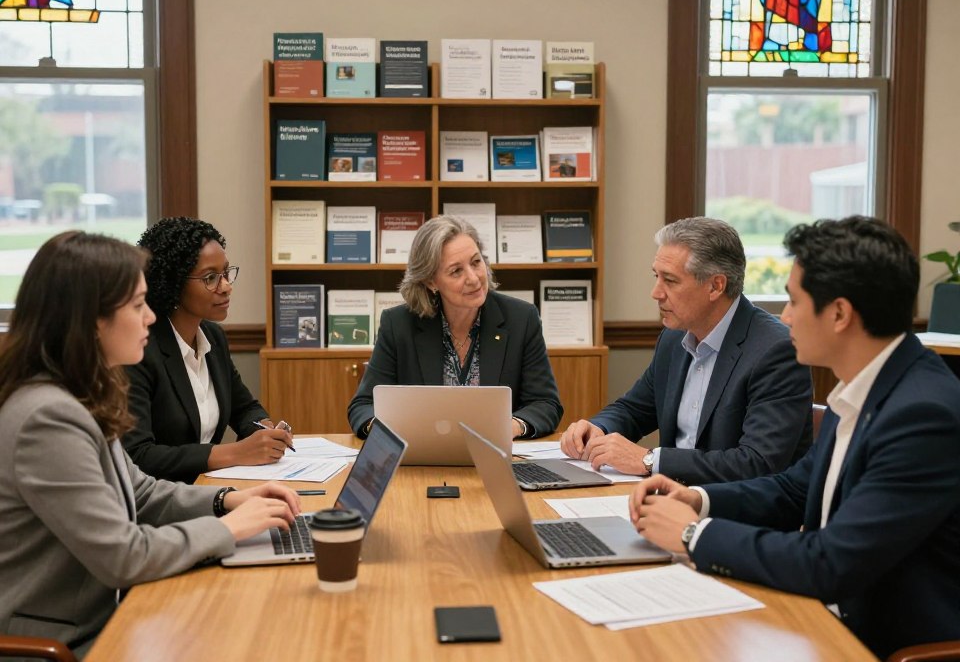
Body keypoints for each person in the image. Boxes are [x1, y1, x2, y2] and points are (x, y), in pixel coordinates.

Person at [629, 216, 960, 659]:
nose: (784, 317)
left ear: (839, 314)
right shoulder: (869, 385)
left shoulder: (921, 414)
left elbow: (830, 562)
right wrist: (698, 500)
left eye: (793, 301)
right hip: (822, 612)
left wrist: (693, 535)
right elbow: (792, 487)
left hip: (878, 640)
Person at [0, 232, 300, 658]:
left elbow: (138, 491)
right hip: (61, 642)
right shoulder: (46, 418)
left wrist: (228, 500)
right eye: (138, 306)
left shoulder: (75, 394)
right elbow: (122, 556)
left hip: (107, 616)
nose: (150, 319)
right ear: (91, 319)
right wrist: (227, 528)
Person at [560, 217, 812, 483]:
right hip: (669, 498)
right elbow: (634, 409)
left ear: (716, 286)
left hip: (734, 513)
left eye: (670, 280)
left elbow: (756, 463)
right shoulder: (674, 337)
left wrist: (650, 460)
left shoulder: (776, 350)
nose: (656, 293)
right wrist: (597, 429)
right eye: (656, 277)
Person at [347, 214, 562, 439]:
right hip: (423, 459)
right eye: (456, 271)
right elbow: (363, 406)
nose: (474, 278)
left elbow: (546, 403)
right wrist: (387, 430)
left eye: (476, 262)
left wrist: (513, 426)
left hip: (496, 456)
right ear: (431, 281)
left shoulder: (521, 319)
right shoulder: (399, 325)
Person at [122, 217, 293, 483]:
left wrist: (265, 431)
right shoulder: (141, 349)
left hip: (209, 489)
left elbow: (245, 408)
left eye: (226, 273)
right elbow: (139, 455)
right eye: (210, 278)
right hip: (162, 501)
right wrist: (235, 453)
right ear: (173, 283)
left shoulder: (212, 336)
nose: (226, 286)